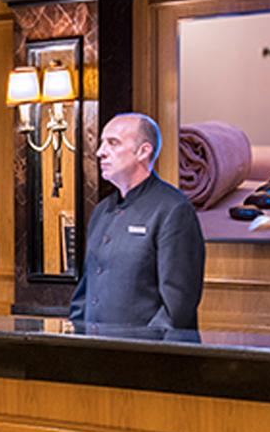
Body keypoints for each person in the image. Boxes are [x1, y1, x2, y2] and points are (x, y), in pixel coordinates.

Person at [70, 113, 206, 331]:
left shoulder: (173, 210)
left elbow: (177, 305)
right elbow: (85, 290)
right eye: (102, 143)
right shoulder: (101, 210)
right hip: (94, 353)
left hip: (148, 357)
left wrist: (144, 349)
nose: (100, 152)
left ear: (143, 151)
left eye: (113, 143)